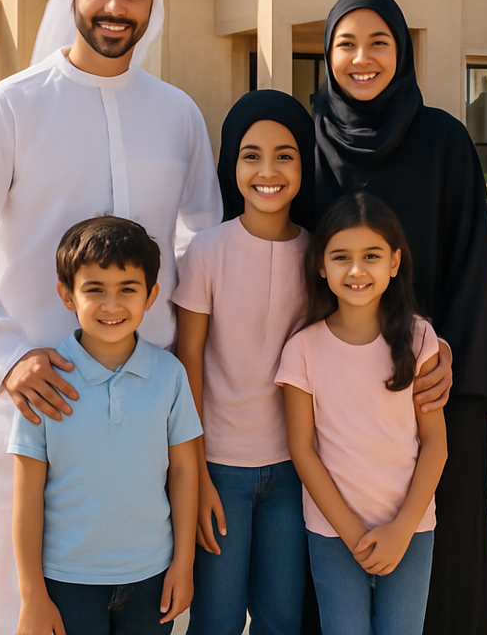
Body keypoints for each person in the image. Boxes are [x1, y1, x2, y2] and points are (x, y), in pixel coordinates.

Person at [0, 0, 222, 635]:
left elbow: (202, 248)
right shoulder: (10, 105)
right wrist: (7, 357)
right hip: (39, 393)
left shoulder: (178, 113)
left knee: (144, 592)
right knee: (20, 603)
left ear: (152, 5)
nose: (115, 7)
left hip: (147, 401)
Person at [312, 0, 487, 635]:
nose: (362, 59)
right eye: (346, 44)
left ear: (404, 50)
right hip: (329, 400)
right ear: (326, 52)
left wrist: (457, 370)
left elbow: (474, 271)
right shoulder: (304, 146)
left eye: (379, 43)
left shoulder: (445, 142)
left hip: (427, 396)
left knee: (439, 578)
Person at [10, 216, 201, 635]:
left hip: (151, 575)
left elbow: (185, 471)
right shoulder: (45, 382)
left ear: (151, 295)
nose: (111, 305)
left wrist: (183, 564)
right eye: (94, 290)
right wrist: (32, 595)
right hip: (66, 580)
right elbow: (26, 496)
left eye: (127, 290)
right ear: (66, 295)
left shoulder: (169, 375)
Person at [173, 90, 315, 635]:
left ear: (304, 162)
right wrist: (197, 474)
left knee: (281, 618)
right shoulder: (206, 252)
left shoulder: (320, 254)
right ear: (231, 163)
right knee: (218, 619)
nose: (268, 170)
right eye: (251, 155)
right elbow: (189, 362)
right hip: (219, 469)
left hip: (292, 471)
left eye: (285, 154)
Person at [276, 192, 448, 635]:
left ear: (394, 262)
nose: (356, 270)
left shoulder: (419, 339)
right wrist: (353, 534)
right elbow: (303, 450)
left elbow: (436, 445)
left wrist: (402, 529)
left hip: (411, 528)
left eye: (371, 256)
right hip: (334, 533)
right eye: (341, 257)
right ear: (320, 265)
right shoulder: (302, 350)